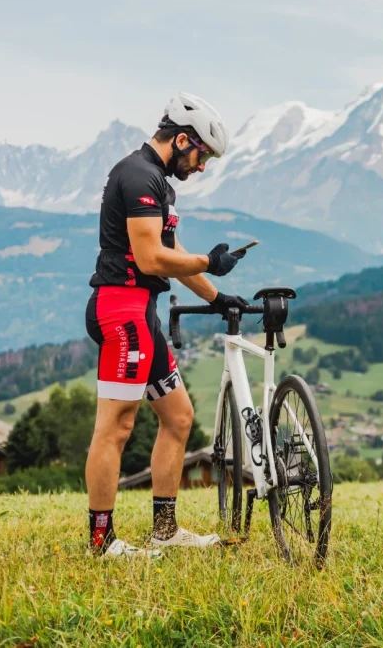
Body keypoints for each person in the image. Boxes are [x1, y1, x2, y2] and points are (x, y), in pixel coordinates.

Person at [84, 92, 250, 557]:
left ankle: (165, 530)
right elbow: (150, 256)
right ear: (181, 139)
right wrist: (209, 262)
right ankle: (102, 542)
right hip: (122, 311)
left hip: (143, 314)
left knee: (177, 418)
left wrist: (217, 296)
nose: (202, 167)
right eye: (202, 156)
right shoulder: (137, 175)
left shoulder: (159, 183)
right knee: (116, 427)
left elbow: (173, 260)